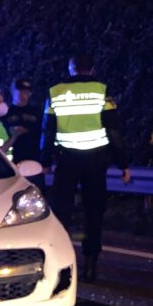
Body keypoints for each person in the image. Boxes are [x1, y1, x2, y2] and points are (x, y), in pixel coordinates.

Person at [42, 53, 131, 282]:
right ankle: (91, 265)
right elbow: (113, 130)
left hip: (66, 160)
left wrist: (45, 161)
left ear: (70, 69)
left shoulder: (55, 92)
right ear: (91, 69)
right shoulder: (102, 90)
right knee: (94, 212)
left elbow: (48, 130)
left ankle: (61, 266)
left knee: (62, 212)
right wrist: (123, 163)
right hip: (95, 161)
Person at [2, 78, 45, 188]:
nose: (23, 95)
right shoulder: (5, 113)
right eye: (20, 92)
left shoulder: (37, 112)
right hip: (13, 161)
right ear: (13, 91)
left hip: (34, 159)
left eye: (27, 92)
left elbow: (44, 134)